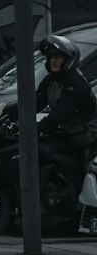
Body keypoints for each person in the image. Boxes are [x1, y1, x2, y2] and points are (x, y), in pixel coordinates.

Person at [36, 35, 97, 164]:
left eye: (58, 57)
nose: (53, 60)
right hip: (70, 133)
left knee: (44, 154)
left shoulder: (76, 82)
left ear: (68, 60)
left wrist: (39, 126)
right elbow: (35, 102)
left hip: (87, 136)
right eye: (51, 57)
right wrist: (14, 116)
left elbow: (61, 112)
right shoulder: (51, 80)